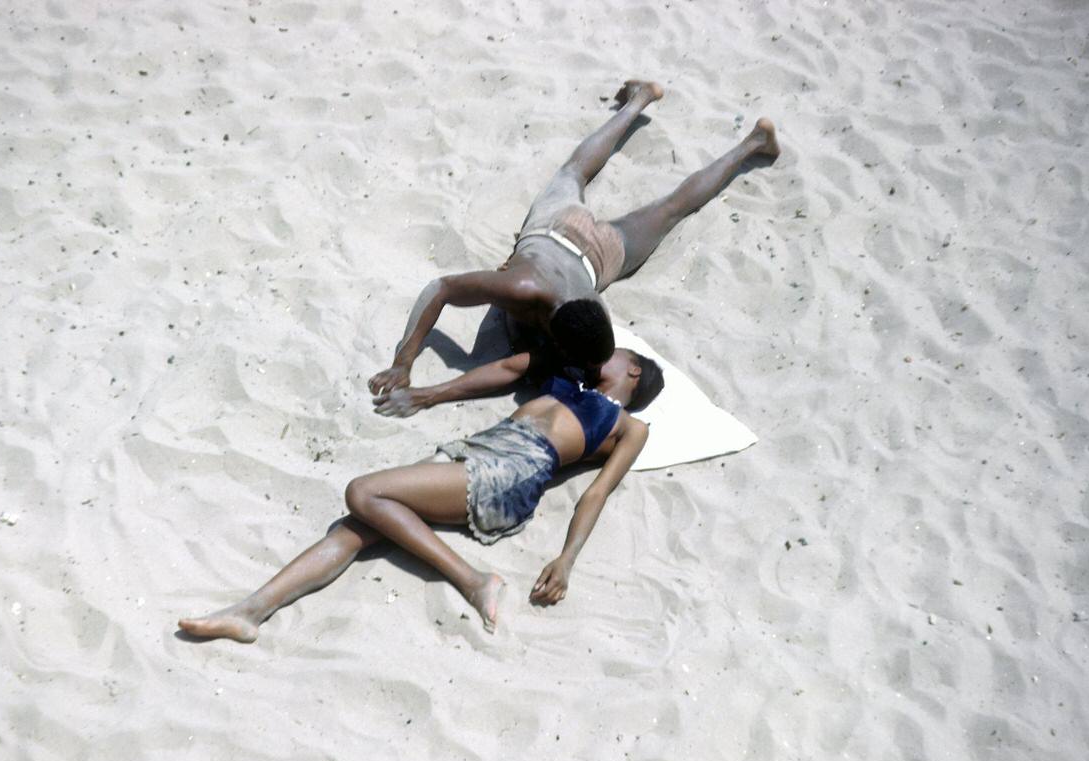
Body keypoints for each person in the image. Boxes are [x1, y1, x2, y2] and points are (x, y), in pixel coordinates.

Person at [178, 348, 665, 643]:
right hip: (477, 452)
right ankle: (250, 612)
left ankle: (474, 582)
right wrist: (431, 391)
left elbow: (597, 493)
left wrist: (567, 560)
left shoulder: (630, 426)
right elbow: (508, 366)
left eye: (619, 352)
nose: (609, 351)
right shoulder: (569, 374)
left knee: (363, 492)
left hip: (512, 472)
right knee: (356, 528)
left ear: (634, 372)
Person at [367, 79, 779, 396]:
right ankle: (753, 142)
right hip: (590, 252)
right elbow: (438, 289)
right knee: (668, 209)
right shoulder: (534, 292)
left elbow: (443, 288)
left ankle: (642, 100)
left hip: (576, 241)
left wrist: (406, 367)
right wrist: (403, 362)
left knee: (577, 173)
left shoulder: (548, 302)